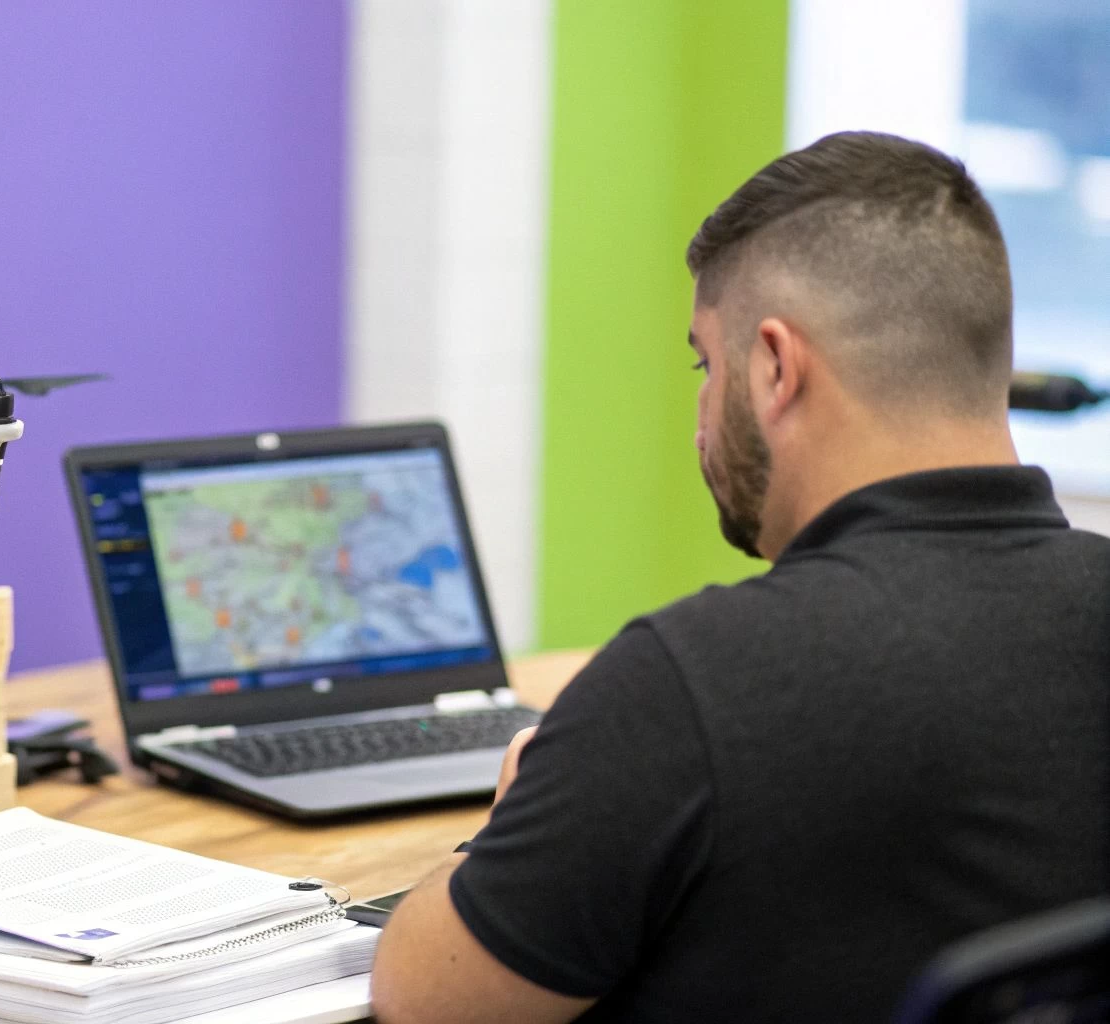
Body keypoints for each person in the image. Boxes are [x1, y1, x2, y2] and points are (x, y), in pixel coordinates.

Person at [369, 130, 1110, 1023]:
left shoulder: (690, 687)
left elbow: (426, 1001)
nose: (699, 413)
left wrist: (505, 833)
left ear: (773, 367)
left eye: (703, 364)